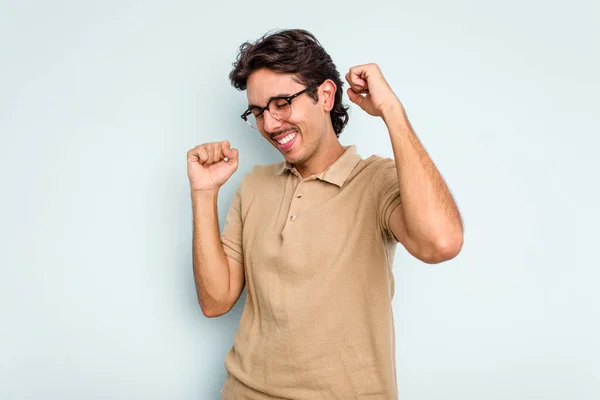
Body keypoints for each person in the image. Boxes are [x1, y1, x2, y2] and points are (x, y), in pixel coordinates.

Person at [187, 29, 463, 399]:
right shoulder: (253, 185)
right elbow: (215, 301)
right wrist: (204, 193)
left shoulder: (376, 180)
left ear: (326, 96)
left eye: (282, 102)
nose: (269, 124)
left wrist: (392, 112)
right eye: (257, 112)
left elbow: (441, 243)